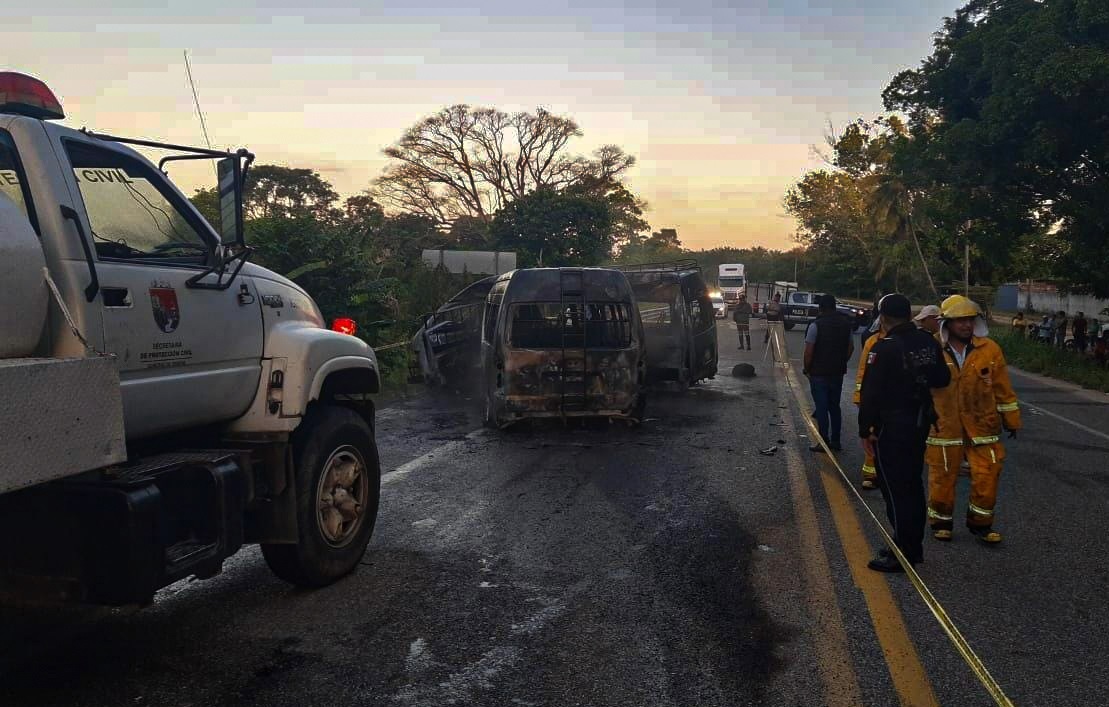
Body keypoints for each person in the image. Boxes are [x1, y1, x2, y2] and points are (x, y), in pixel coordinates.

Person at [858, 294, 951, 573]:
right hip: (919, 423)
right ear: (910, 315)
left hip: (892, 427)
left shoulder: (883, 348)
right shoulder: (927, 341)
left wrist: (866, 429)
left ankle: (902, 552)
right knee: (911, 486)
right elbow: (942, 379)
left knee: (895, 491)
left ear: (883, 317)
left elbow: (870, 394)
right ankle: (912, 546)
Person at [925, 295, 1021, 545]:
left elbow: (1002, 388)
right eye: (960, 321)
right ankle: (941, 522)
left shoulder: (989, 350)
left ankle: (981, 525)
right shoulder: (931, 348)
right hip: (945, 425)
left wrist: (1011, 419)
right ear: (947, 323)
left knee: (988, 473)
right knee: (943, 476)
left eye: (970, 320)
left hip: (983, 424)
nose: (966, 325)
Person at [803, 295, 854, 453]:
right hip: (837, 372)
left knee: (822, 407)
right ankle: (836, 441)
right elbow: (851, 347)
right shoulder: (846, 324)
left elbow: (809, 352)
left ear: (821, 308)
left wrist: (807, 369)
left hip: (819, 373)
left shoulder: (816, 325)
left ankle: (823, 441)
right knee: (834, 407)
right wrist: (841, 361)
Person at [853, 316, 887, 489]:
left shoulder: (908, 341)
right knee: (872, 436)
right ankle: (871, 474)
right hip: (876, 401)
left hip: (898, 404)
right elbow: (863, 372)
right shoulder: (872, 342)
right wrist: (860, 397)